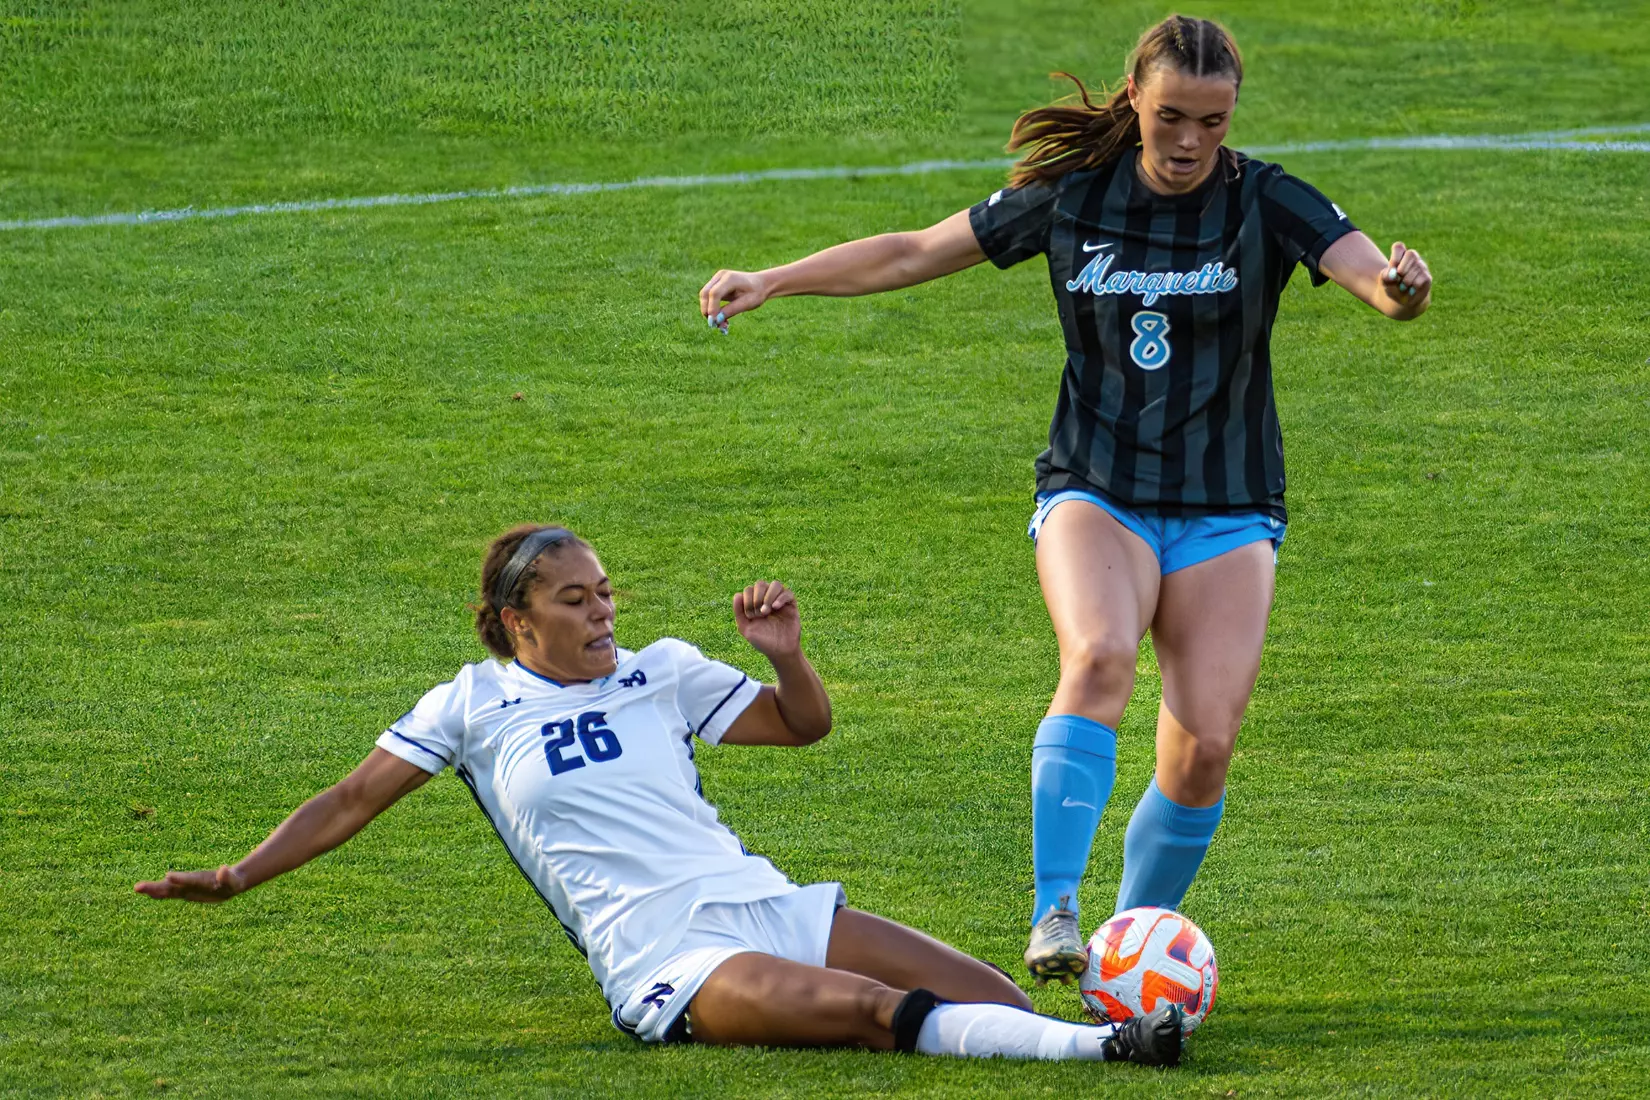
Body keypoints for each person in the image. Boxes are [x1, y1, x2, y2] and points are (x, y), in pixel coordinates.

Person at [698, 14, 1433, 987]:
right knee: (1097, 655)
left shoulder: (1267, 199)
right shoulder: (1071, 196)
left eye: (1211, 123)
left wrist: (1400, 290)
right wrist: (775, 280)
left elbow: (1368, 277)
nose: (1188, 143)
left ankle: (1134, 946)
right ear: (1134, 97)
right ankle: (1055, 907)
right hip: (1097, 485)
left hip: (1227, 503)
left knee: (1206, 742)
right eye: (1171, 116)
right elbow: (915, 251)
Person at [135, 523, 1183, 1065]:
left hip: (764, 898)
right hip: (666, 955)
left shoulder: (663, 668)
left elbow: (801, 723)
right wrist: (238, 873)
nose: (602, 611)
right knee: (873, 1015)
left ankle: (1114, 1020)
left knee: (991, 994)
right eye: (574, 598)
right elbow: (353, 797)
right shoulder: (469, 705)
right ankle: (1117, 1048)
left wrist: (790, 655)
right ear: (514, 619)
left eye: (605, 591)